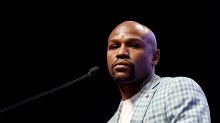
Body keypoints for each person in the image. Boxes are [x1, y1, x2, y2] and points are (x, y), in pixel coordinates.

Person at [106, 21, 211, 123]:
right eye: (114, 46)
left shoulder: (175, 89)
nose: (121, 53)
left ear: (154, 57)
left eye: (134, 45)